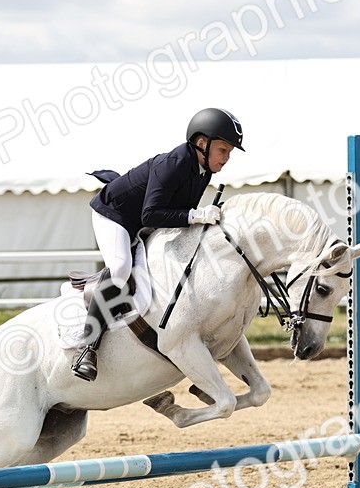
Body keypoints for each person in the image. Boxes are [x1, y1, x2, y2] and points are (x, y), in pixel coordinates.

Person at [72, 107, 245, 381]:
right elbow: (151, 214)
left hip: (143, 219)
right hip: (115, 215)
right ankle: (87, 347)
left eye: (229, 153)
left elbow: (176, 213)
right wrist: (197, 215)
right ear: (202, 143)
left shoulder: (203, 171)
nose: (227, 158)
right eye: (223, 150)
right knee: (119, 270)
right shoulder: (174, 163)